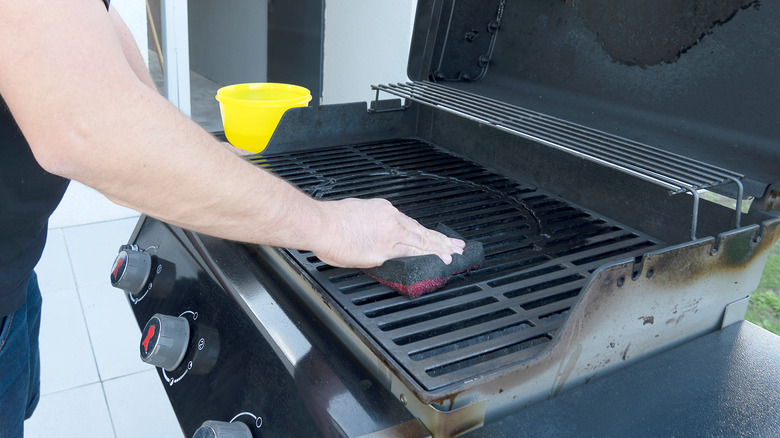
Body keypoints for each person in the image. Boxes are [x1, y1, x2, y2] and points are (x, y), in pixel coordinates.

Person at [0, 1, 464, 436]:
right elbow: (88, 125)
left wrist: (200, 156)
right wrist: (332, 226)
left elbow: (100, 31)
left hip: (14, 275)